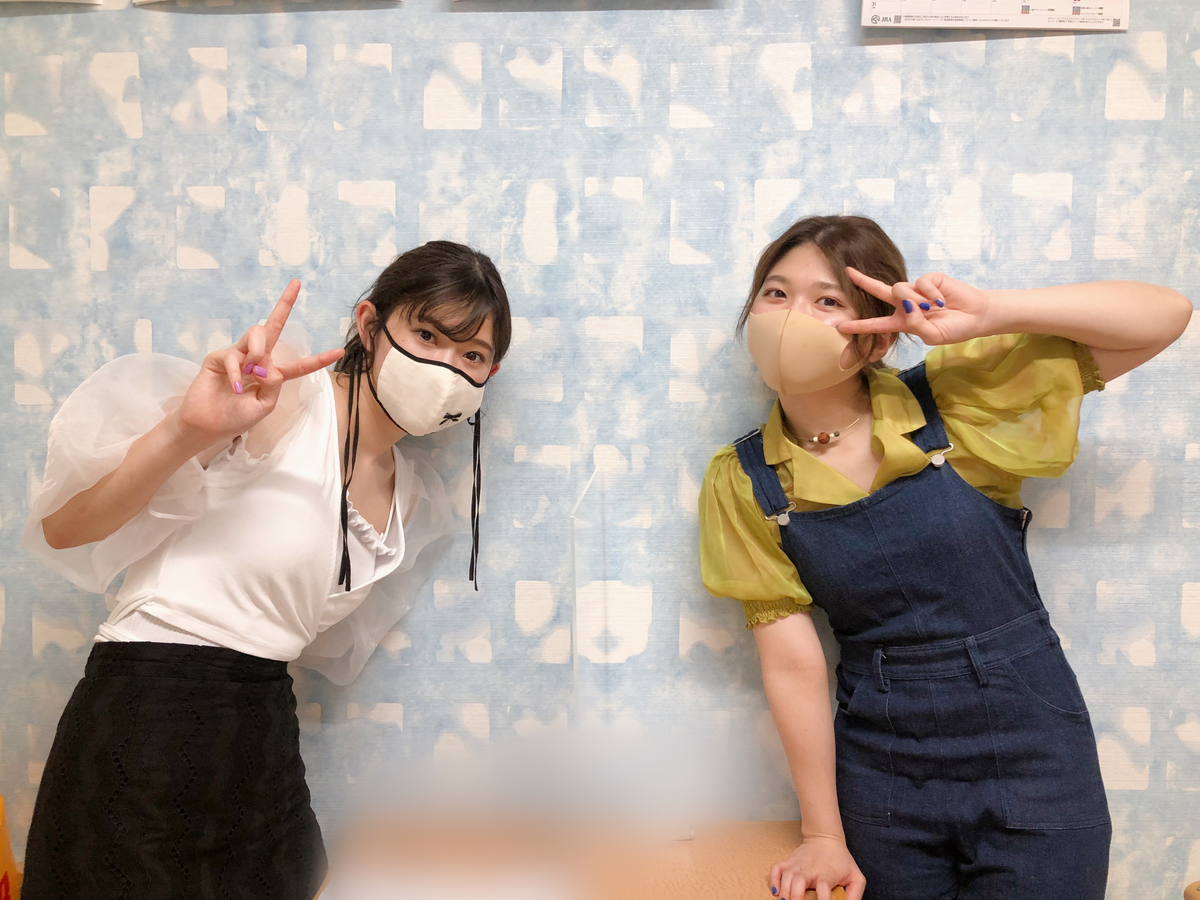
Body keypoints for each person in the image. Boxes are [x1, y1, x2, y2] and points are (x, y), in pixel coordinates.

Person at [698, 215, 1192, 900]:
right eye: (775, 293)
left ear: (876, 337)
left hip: (1033, 753)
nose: (790, 316)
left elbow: (1166, 314)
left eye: (827, 299)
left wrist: (992, 312)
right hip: (882, 772)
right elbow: (793, 666)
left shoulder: (958, 400)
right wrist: (823, 835)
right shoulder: (744, 480)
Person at [19, 240, 512, 900]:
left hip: (264, 733)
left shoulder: (414, 502)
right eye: (427, 335)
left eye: (471, 355)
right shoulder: (279, 398)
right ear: (369, 324)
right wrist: (188, 432)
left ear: (488, 375)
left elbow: (298, 632)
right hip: (147, 717)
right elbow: (66, 528)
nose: (445, 367)